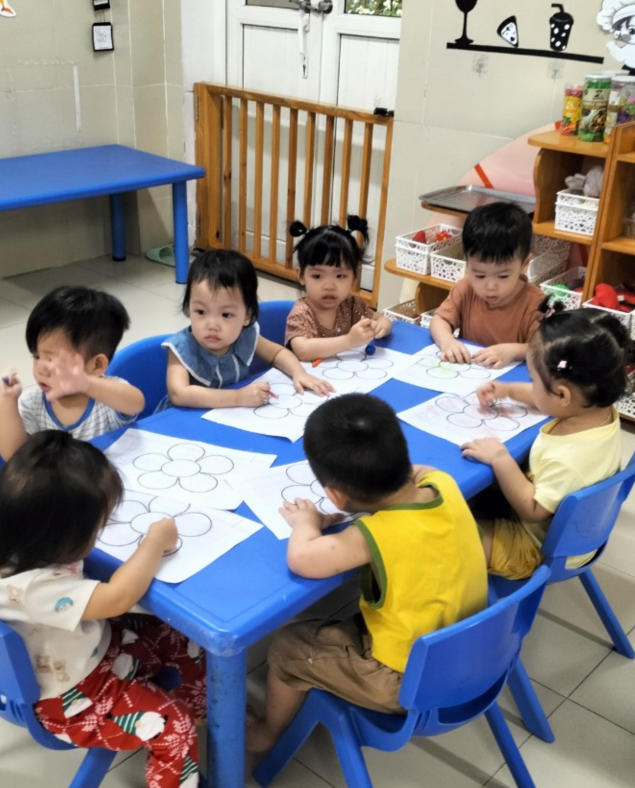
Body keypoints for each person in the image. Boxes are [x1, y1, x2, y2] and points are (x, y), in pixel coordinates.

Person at [0, 431, 228, 788]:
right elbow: (118, 598)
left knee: (181, 639)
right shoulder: (35, 589)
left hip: (84, 651)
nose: (102, 532)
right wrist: (154, 543)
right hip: (70, 698)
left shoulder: (1, 538)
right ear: (59, 537)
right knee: (174, 727)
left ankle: (208, 712)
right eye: (98, 526)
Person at [246, 394, 487, 752]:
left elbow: (302, 559)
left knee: (288, 647)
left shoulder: (372, 535)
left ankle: (267, 733)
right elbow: (421, 470)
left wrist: (306, 521)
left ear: (335, 496)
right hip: (474, 650)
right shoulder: (444, 484)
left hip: (407, 681)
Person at [461, 306, 627, 580]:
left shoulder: (568, 460)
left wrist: (500, 458)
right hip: (572, 531)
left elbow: (532, 509)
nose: (531, 385)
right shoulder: (596, 408)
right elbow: (549, 397)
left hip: (533, 547)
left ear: (562, 395)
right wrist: (508, 390)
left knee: (446, 537)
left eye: (533, 379)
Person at [163, 249, 334, 409]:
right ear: (188, 308)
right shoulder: (181, 348)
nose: (212, 325)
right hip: (182, 421)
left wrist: (299, 373)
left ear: (247, 315)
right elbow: (179, 394)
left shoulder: (245, 334)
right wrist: (238, 397)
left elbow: (277, 353)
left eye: (226, 315)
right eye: (201, 312)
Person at [0, 286, 144, 461]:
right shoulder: (33, 404)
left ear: (96, 365)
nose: (41, 368)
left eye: (52, 360)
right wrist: (6, 401)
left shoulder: (107, 397)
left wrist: (86, 383)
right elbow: (13, 455)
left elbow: (136, 404)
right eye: (36, 356)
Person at [428, 201, 546, 368]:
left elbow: (546, 348)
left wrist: (514, 351)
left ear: (524, 264)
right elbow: (440, 320)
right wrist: (447, 341)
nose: (490, 286)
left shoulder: (536, 303)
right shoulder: (466, 287)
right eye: (480, 275)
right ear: (468, 263)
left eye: (503, 276)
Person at [283, 217, 393, 361]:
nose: (329, 286)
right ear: (301, 276)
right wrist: (349, 341)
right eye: (317, 276)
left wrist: (380, 327)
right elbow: (302, 350)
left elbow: (380, 318)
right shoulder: (301, 313)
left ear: (354, 277)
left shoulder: (352, 305)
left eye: (340, 276)